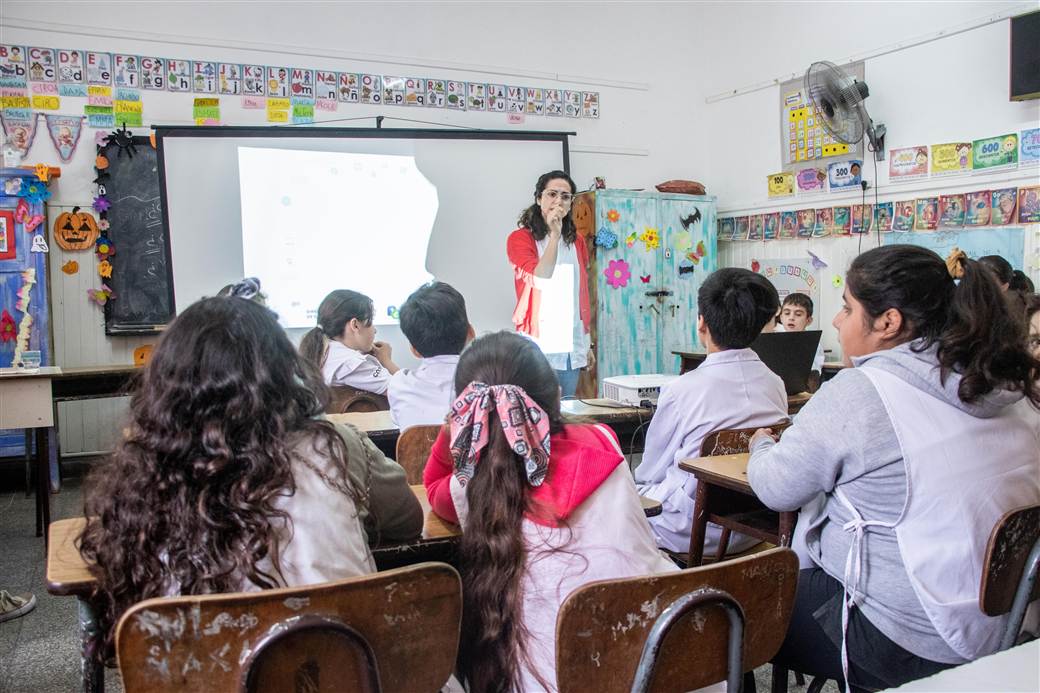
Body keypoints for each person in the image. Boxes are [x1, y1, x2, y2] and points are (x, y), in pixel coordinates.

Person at [747, 245, 1040, 691]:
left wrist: (760, 448)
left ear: (889, 322)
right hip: (1007, 623)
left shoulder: (863, 391)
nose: (838, 321)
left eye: (847, 307)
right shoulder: (997, 379)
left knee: (737, 610)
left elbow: (774, 487)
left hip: (909, 637)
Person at [78, 297, 423, 649]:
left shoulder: (142, 476)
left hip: (201, 672)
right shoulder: (337, 446)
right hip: (346, 668)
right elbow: (408, 522)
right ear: (283, 373)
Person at [423, 331, 675, 691]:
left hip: (558, 677)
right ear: (556, 396)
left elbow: (433, 489)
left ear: (465, 412)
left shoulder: (472, 479)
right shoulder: (603, 439)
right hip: (665, 658)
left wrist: (453, 434)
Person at [634, 268, 788, 556]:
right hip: (753, 527)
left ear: (701, 323)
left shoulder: (682, 390)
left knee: (627, 497)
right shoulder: (775, 383)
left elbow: (651, 471)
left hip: (688, 529)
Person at [506, 170, 593, 398]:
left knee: (564, 414)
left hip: (569, 343)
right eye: (552, 194)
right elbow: (539, 278)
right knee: (535, 414)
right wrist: (554, 236)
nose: (558, 201)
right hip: (537, 343)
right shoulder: (521, 238)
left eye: (565, 196)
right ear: (538, 199)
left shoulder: (578, 242)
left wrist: (586, 341)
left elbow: (579, 293)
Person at [389, 281, 473, 431]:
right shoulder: (487, 385)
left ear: (414, 349)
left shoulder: (399, 385)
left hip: (420, 454)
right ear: (471, 333)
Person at [299, 289, 398, 395]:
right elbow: (408, 392)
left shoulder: (327, 352)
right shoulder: (351, 363)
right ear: (355, 325)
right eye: (370, 321)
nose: (374, 330)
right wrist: (386, 361)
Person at [777, 292, 825, 373]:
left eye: (798, 314)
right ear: (781, 317)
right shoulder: (774, 340)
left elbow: (814, 374)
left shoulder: (813, 344)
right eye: (787, 313)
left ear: (809, 320)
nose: (791, 318)